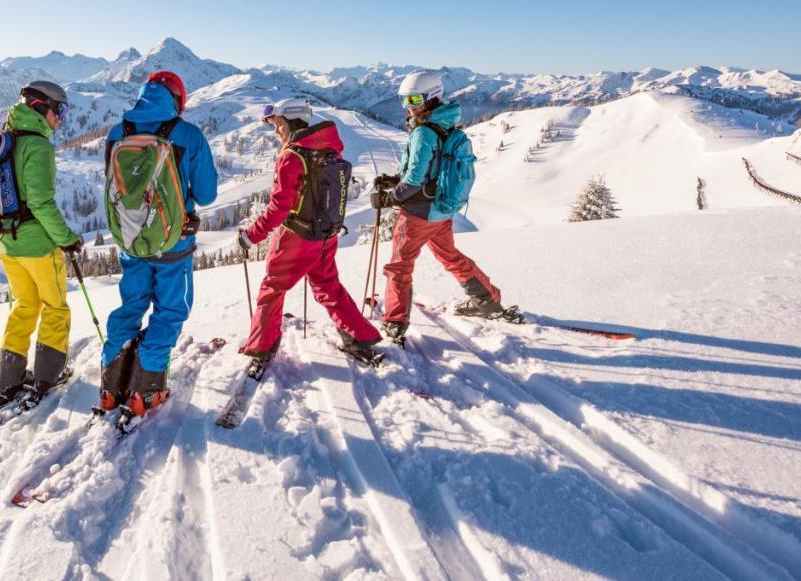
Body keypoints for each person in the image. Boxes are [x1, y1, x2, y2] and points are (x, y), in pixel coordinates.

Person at [99, 70, 218, 416]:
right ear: (178, 100)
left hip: (132, 241)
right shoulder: (188, 135)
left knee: (130, 306)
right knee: (169, 310)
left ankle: (110, 387)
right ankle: (145, 393)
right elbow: (208, 193)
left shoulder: (117, 132)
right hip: (173, 243)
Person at [237, 97, 382, 368]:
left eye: (278, 124)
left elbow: (279, 209)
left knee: (272, 288)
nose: (276, 131)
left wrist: (250, 235)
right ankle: (359, 337)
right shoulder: (330, 150)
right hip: (326, 236)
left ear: (292, 122)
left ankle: (261, 347)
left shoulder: (292, 157)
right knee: (328, 285)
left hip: (295, 237)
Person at [371, 70, 504, 339]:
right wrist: (394, 180)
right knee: (450, 256)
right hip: (440, 210)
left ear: (432, 98)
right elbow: (429, 169)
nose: (409, 107)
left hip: (418, 213)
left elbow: (416, 179)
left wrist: (390, 197)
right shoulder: (443, 124)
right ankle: (487, 299)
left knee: (399, 265)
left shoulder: (423, 131)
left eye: (415, 100)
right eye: (404, 100)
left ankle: (394, 321)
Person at [0, 80, 84, 403]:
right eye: (58, 110)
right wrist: (68, 239)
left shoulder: (6, 137)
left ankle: (9, 379)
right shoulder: (38, 146)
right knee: (56, 308)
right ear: (39, 107)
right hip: (37, 245)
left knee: (25, 306)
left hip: (6, 243)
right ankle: (48, 376)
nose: (61, 118)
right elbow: (42, 204)